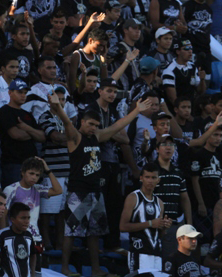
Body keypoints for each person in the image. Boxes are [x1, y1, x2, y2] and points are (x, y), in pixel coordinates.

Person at [50, 90, 154, 276]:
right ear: (82, 122)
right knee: (72, 232)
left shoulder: (96, 137)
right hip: (78, 191)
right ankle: (65, 268)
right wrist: (58, 106)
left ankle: (96, 269)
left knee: (94, 233)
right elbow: (66, 122)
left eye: (96, 125)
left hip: (95, 191)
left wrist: (136, 110)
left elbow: (116, 127)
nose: (93, 128)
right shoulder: (75, 137)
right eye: (90, 124)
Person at [119, 164, 172, 275]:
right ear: (141, 178)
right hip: (139, 253)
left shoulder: (160, 203)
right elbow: (123, 227)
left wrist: (164, 226)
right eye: (147, 177)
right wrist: (149, 223)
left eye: (153, 178)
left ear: (158, 180)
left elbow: (160, 234)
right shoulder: (133, 197)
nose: (150, 181)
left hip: (157, 254)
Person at [0, 201, 33, 277]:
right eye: (23, 218)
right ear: (13, 219)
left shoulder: (28, 236)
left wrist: (32, 273)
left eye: (28, 218)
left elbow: (33, 254)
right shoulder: (3, 235)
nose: (27, 221)